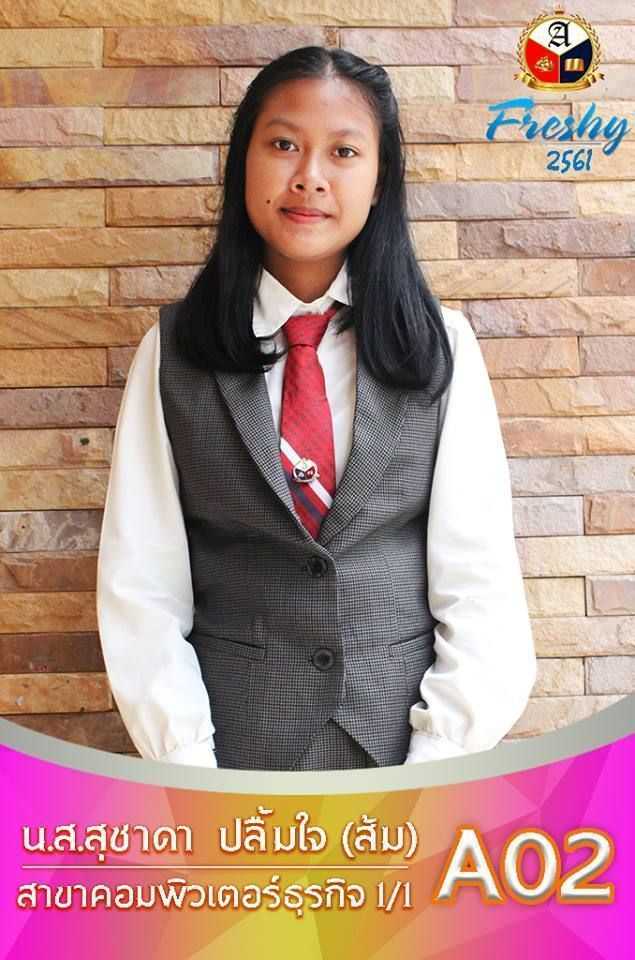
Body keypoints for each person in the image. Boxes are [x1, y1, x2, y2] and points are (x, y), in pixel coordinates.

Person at [96, 46, 536, 772]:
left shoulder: (440, 347)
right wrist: (190, 767)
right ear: (243, 162)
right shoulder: (174, 351)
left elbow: (479, 582)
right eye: (283, 145)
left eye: (343, 152)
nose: (309, 176)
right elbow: (141, 588)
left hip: (406, 757)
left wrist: (435, 765)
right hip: (232, 759)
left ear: (379, 179)